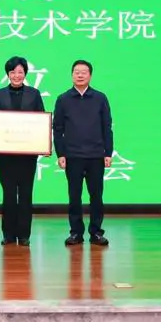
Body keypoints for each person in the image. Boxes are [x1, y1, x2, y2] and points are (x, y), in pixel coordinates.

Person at [52, 59, 114, 247]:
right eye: (76, 72)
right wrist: (60, 154)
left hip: (96, 155)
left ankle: (96, 232)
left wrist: (108, 152)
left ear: (90, 75)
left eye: (84, 72)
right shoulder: (63, 99)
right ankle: (75, 233)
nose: (80, 75)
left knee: (96, 196)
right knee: (74, 196)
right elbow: (57, 129)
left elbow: (107, 127)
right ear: (72, 75)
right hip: (73, 156)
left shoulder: (100, 98)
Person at [0, 56, 45, 247]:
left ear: (25, 73)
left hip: (28, 154)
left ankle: (24, 235)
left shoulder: (34, 94)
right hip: (6, 155)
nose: (16, 75)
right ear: (8, 74)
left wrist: (43, 144)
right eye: (12, 72)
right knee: (9, 195)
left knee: (26, 194)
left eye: (20, 72)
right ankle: (8, 234)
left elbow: (41, 121)